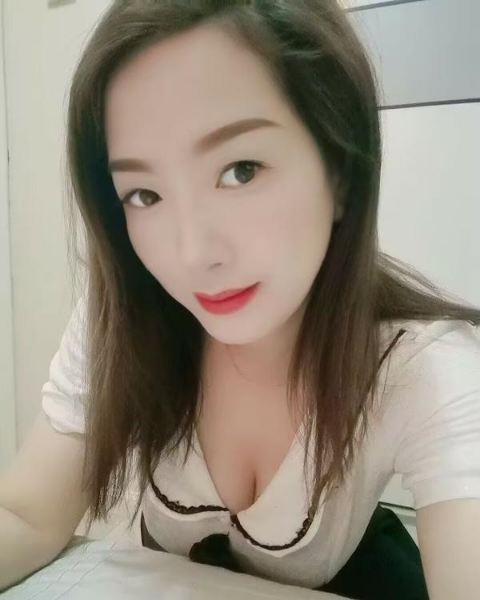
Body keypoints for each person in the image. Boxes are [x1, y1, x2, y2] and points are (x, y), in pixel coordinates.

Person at [1, 1, 479, 597]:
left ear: (340, 168)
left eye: (241, 170)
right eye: (145, 194)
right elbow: (26, 515)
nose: (192, 253)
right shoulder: (123, 321)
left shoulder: (422, 367)